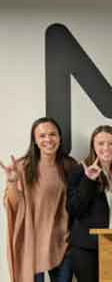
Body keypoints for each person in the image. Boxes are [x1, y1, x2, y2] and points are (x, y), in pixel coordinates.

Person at [2, 117, 76, 282]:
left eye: (52, 134)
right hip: (32, 243)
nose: (48, 139)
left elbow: (77, 203)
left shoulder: (69, 165)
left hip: (63, 242)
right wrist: (12, 182)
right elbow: (13, 206)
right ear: (35, 140)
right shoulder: (22, 166)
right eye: (42, 136)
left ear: (60, 137)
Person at [67, 125, 112, 282]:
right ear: (93, 146)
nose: (106, 148)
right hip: (86, 248)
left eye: (111, 143)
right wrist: (88, 180)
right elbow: (74, 209)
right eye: (100, 143)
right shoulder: (80, 171)